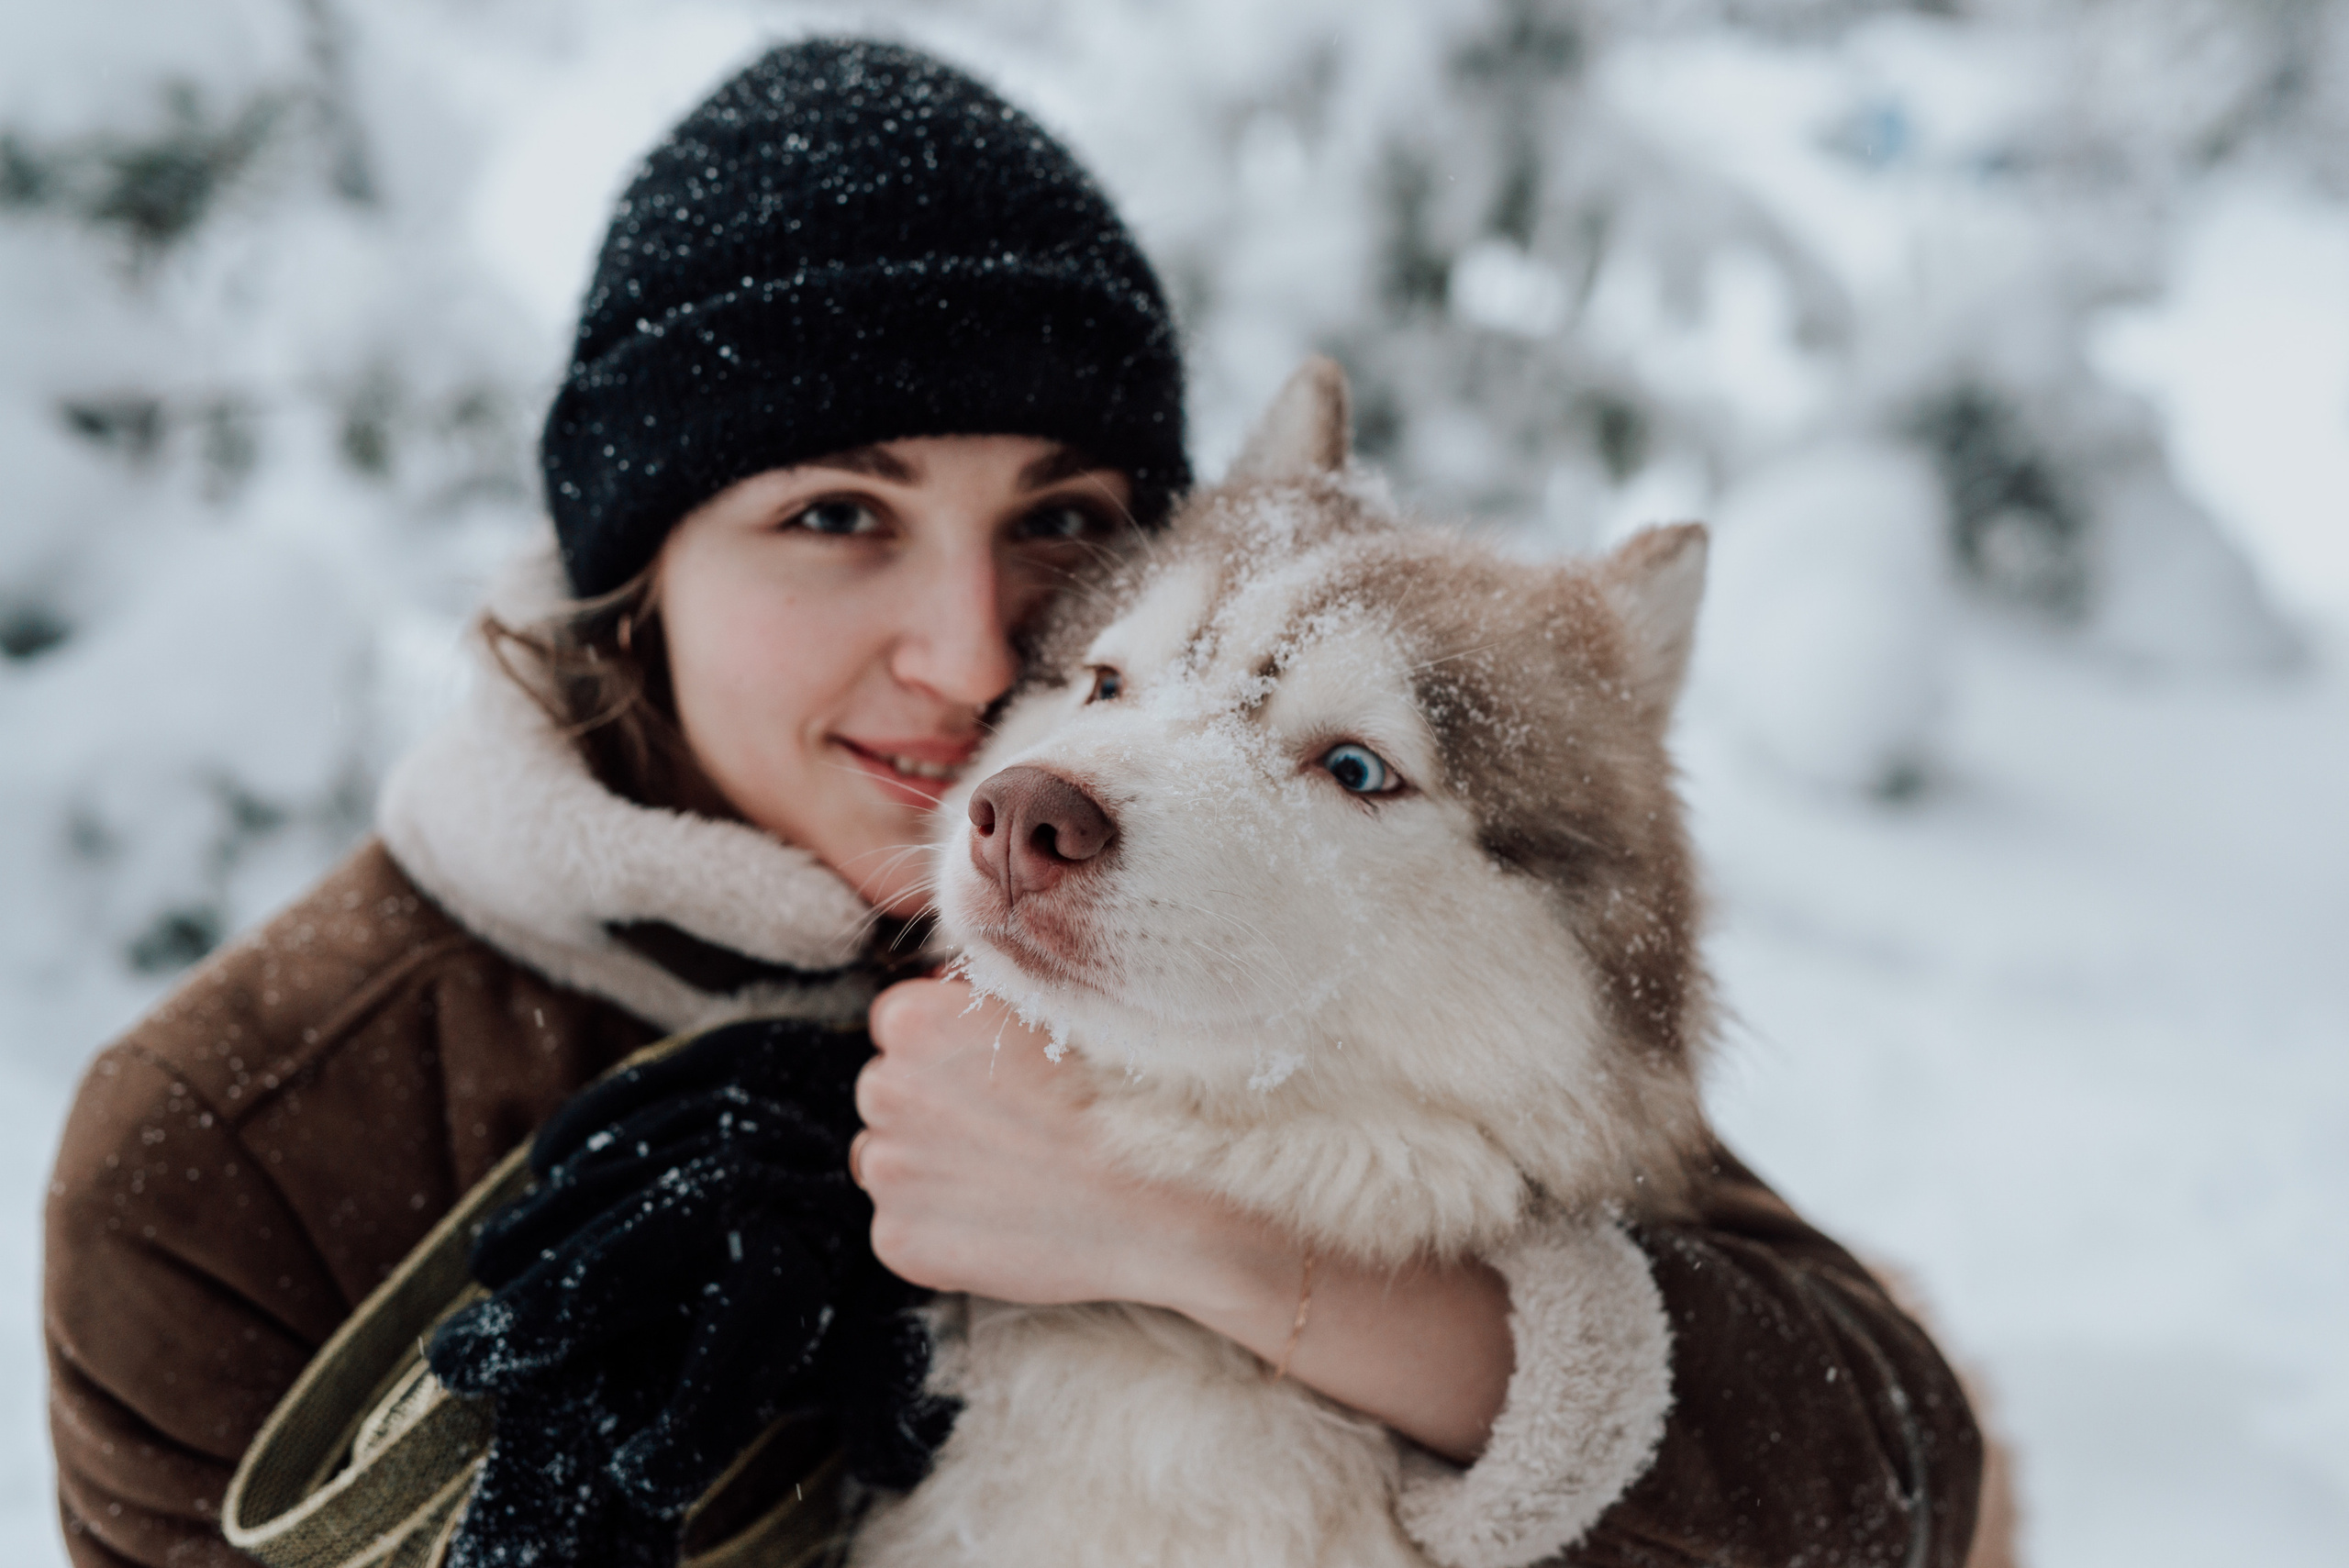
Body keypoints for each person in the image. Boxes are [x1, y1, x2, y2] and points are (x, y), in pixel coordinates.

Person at [43, 37, 1984, 1568]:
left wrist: (1203, 1240)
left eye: (1058, 526)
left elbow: (1880, 1466)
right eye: (836, 516)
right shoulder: (239, 1147)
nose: (976, 657)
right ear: (637, 568)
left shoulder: (1170, 921)